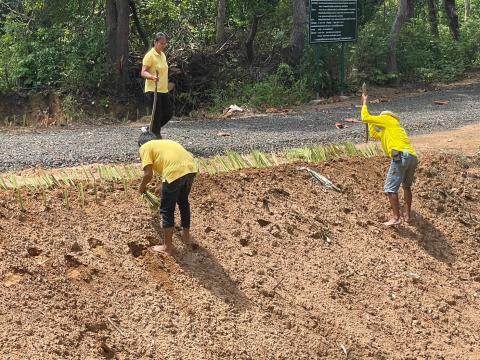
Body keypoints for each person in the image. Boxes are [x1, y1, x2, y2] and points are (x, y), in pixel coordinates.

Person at [361, 94, 419, 227]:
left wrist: (364, 103)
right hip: (412, 157)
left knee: (390, 188)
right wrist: (371, 122)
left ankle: (396, 218)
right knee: (406, 186)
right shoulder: (394, 128)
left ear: (386, 117)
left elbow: (365, 117)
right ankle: (408, 216)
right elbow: (375, 134)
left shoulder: (387, 119)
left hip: (401, 156)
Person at [138, 131, 197, 255]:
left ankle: (167, 247)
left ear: (140, 144)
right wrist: (163, 185)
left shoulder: (145, 147)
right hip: (191, 168)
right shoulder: (166, 143)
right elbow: (171, 162)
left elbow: (148, 174)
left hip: (175, 172)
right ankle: (186, 237)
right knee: (183, 202)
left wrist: (141, 187)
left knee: (166, 209)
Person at [141, 32, 173, 139]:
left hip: (163, 90)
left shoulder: (163, 55)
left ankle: (150, 129)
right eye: (161, 43)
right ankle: (156, 136)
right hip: (152, 90)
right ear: (155, 42)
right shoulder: (149, 56)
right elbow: (143, 72)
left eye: (165, 44)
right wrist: (152, 77)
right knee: (157, 115)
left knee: (168, 113)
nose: (163, 46)